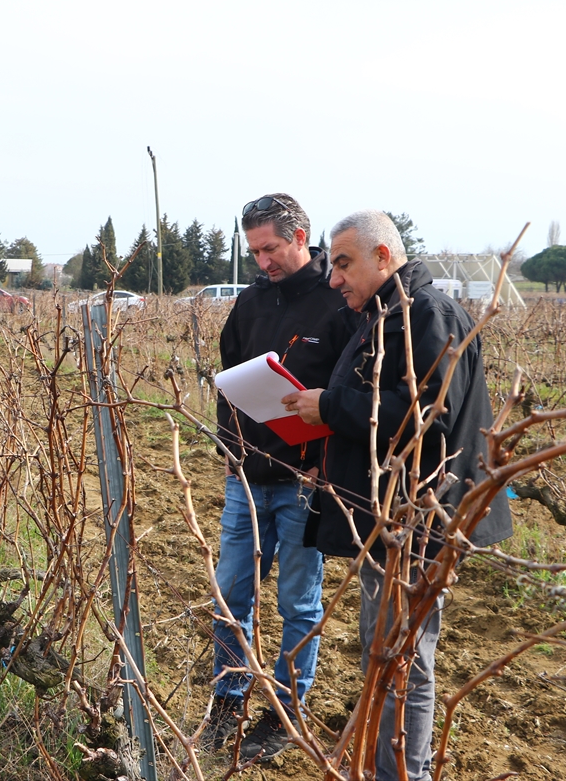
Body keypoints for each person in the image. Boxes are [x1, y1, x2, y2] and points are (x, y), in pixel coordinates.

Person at [283, 210, 512, 781]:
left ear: (384, 256)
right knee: (384, 651)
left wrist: (328, 408)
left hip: (417, 523)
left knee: (403, 658)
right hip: (388, 519)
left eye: (343, 264)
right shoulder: (385, 314)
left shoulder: (424, 315)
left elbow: (429, 421)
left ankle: (402, 773)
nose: (333, 279)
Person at [206, 193, 354, 761]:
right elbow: (228, 378)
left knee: (298, 601)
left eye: (269, 248)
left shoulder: (337, 304)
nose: (262, 261)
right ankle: (229, 697)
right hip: (246, 475)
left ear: (300, 237)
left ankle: (286, 710)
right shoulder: (248, 304)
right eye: (254, 251)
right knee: (231, 594)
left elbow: (348, 396)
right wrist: (229, 443)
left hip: (304, 481)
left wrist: (327, 462)